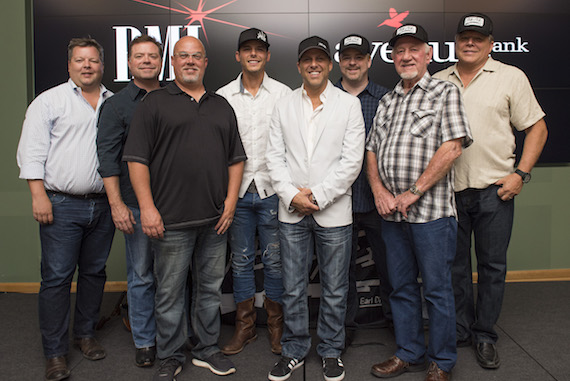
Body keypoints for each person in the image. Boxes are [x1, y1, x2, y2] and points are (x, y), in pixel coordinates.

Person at [123, 36, 246, 381]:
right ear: (172, 63)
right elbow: (136, 161)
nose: (190, 61)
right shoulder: (153, 104)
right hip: (170, 221)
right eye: (183, 56)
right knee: (169, 292)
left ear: (205, 63)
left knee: (209, 292)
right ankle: (171, 354)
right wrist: (147, 209)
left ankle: (206, 350)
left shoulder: (221, 106)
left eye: (196, 56)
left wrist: (231, 203)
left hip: (215, 220)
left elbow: (236, 159)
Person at [433, 13, 548, 369]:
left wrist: (520, 175)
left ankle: (485, 335)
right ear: (455, 41)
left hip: (494, 191)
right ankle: (460, 330)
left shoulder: (511, 77)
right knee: (454, 269)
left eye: (478, 38)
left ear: (491, 44)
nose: (470, 43)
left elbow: (537, 128)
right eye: (464, 37)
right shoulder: (437, 81)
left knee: (492, 267)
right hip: (447, 193)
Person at [366, 24, 472, 381]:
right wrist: (380, 191)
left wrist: (414, 191)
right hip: (392, 216)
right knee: (401, 286)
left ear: (428, 54)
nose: (406, 56)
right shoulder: (388, 99)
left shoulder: (445, 91)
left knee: (438, 289)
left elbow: (453, 146)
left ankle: (442, 362)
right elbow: (371, 150)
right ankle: (409, 351)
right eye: (399, 51)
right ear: (392, 57)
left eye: (414, 50)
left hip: (431, 214)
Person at [266, 36, 365, 381]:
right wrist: (293, 196)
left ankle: (330, 351)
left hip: (334, 212)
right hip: (291, 211)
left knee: (335, 288)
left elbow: (351, 163)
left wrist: (318, 196)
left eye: (320, 59)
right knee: (292, 286)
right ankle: (293, 350)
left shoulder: (348, 105)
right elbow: (273, 158)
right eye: (307, 59)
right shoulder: (283, 104)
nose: (313, 64)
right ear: (298, 65)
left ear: (330, 64)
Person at [16, 37, 115, 381]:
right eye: (79, 60)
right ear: (69, 65)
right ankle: (55, 353)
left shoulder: (112, 103)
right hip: (60, 204)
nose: (86, 66)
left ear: (103, 65)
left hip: (103, 205)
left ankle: (85, 335)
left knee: (94, 273)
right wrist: (37, 195)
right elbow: (31, 151)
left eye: (92, 61)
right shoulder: (49, 101)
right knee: (57, 278)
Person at [216, 28, 291, 356]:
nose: (253, 54)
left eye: (259, 49)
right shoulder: (223, 96)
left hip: (272, 191)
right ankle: (245, 327)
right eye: (247, 49)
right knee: (242, 261)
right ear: (238, 55)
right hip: (237, 193)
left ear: (268, 55)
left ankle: (276, 326)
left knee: (275, 262)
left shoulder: (284, 94)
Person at [96, 35, 162, 368]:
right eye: (140, 56)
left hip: (176, 204)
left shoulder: (176, 98)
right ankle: (145, 340)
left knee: (177, 275)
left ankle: (174, 335)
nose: (147, 61)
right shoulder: (117, 106)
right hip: (134, 204)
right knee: (141, 274)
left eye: (153, 55)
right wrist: (116, 205)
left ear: (161, 61)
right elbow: (107, 159)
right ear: (130, 62)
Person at [334, 34, 392, 345]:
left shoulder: (387, 98)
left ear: (369, 61)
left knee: (391, 269)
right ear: (339, 61)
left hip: (377, 201)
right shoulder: (326, 97)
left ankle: (400, 327)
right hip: (337, 202)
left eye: (359, 57)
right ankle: (343, 333)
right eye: (347, 57)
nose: (353, 62)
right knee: (341, 277)